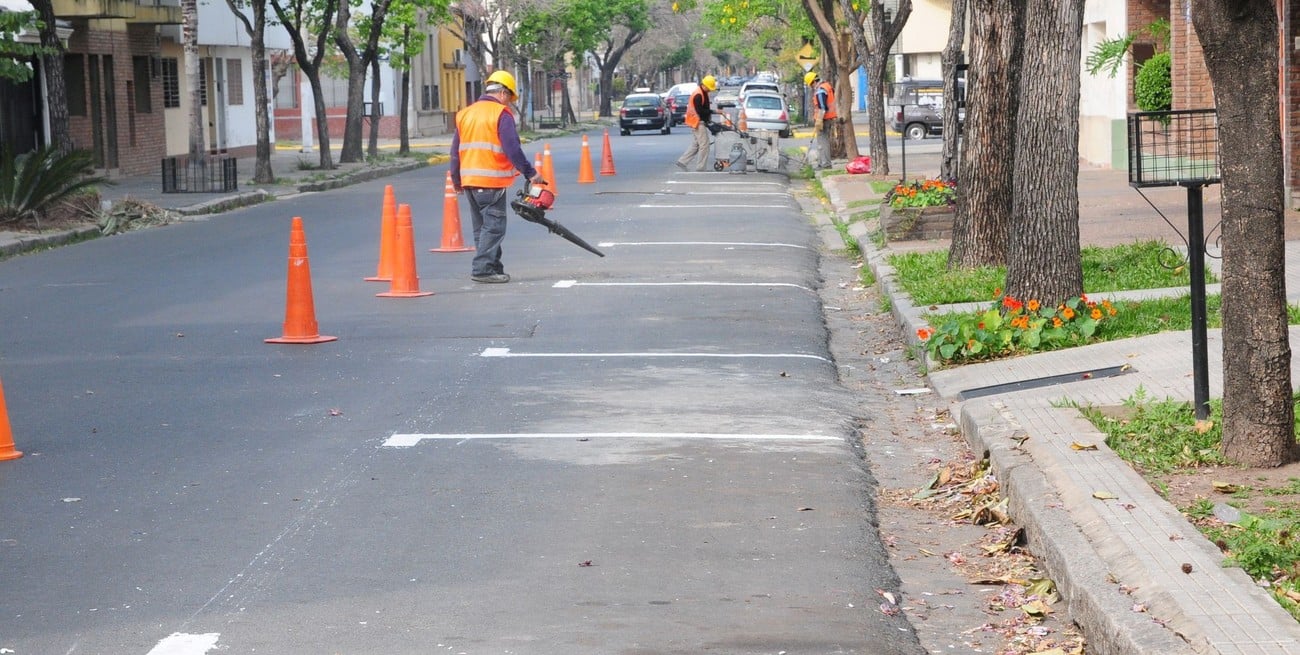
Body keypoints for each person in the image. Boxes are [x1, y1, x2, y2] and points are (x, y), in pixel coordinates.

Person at [451, 70, 545, 284]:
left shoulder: (465, 113)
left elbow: (455, 151)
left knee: (482, 228)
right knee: (494, 226)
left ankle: (493, 266)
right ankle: (482, 270)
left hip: (469, 182)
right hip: (490, 181)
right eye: (510, 98)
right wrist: (531, 173)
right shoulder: (501, 113)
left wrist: (456, 180)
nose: (509, 103)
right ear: (503, 93)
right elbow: (512, 148)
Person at [675, 75, 717, 171]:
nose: (709, 90)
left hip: (697, 121)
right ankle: (701, 167)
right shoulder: (698, 95)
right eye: (709, 88)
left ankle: (682, 161)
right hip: (697, 122)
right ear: (704, 85)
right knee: (704, 145)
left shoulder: (703, 92)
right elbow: (700, 110)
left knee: (696, 144)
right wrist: (714, 112)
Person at [806, 71, 837, 170]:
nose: (811, 87)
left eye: (811, 85)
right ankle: (822, 163)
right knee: (823, 141)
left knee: (823, 142)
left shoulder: (820, 90)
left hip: (824, 119)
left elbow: (822, 107)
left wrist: (819, 120)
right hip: (829, 117)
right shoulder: (827, 86)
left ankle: (825, 164)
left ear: (813, 82)